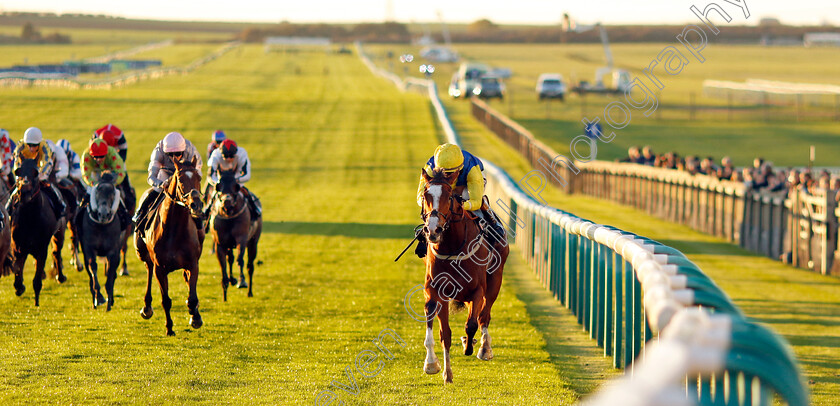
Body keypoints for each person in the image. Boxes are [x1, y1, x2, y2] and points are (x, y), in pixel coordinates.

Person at [414, 143, 506, 258]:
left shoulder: (472, 170)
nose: (447, 177)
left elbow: (475, 201)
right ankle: (427, 232)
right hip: (445, 187)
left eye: (450, 173)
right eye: (444, 173)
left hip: (466, 184)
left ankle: (491, 221)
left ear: (459, 169)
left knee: (466, 197)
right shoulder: (430, 168)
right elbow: (420, 198)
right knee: (436, 202)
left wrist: (463, 205)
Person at [132, 132, 202, 234]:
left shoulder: (191, 151)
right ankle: (140, 214)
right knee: (157, 190)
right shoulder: (159, 152)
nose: (174, 157)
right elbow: (151, 177)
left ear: (183, 151)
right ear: (165, 152)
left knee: (193, 194)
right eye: (170, 154)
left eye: (178, 154)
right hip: (166, 173)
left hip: (184, 175)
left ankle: (200, 219)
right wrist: (161, 184)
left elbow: (197, 174)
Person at [6, 127, 66, 217]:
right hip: (26, 167)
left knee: (46, 182)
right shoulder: (20, 146)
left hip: (40, 166)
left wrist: (39, 175)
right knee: (19, 186)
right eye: (29, 145)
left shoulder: (45, 147)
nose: (31, 148)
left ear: (39, 144)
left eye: (34, 145)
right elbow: (16, 163)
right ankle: (8, 206)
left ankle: (60, 204)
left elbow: (46, 163)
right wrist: (20, 177)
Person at [77, 138, 129, 230]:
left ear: (106, 153)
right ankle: (78, 219)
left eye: (101, 157)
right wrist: (96, 184)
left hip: (110, 178)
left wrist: (113, 183)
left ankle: (125, 216)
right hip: (94, 178)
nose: (98, 159)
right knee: (87, 195)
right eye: (95, 157)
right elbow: (86, 175)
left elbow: (121, 172)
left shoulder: (112, 154)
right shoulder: (86, 156)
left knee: (118, 194)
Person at [205, 139, 261, 220]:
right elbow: (210, 176)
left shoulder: (242, 154)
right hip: (221, 180)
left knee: (245, 193)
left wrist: (236, 181)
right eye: (225, 156)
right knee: (213, 195)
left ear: (235, 153)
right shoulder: (215, 155)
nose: (228, 159)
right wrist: (217, 182)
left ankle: (255, 210)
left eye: (231, 156)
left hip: (236, 179)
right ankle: (206, 214)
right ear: (221, 154)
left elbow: (247, 175)